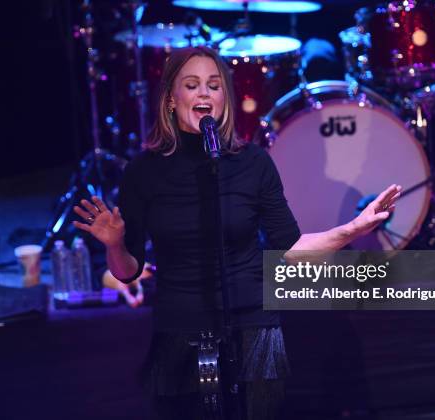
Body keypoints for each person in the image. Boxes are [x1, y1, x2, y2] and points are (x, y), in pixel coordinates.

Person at [72, 46, 401, 420]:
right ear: (170, 99)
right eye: (191, 85)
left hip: (252, 321)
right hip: (181, 321)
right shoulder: (143, 172)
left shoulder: (253, 163)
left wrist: (353, 228)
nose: (203, 94)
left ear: (224, 98)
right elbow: (127, 270)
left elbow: (290, 248)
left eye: (213, 86)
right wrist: (115, 244)